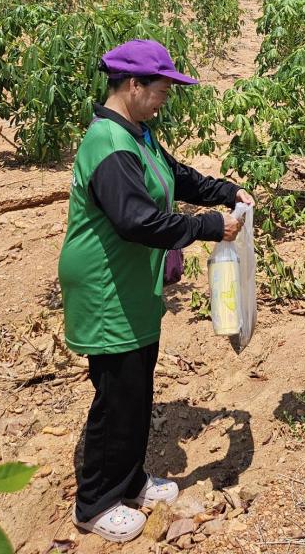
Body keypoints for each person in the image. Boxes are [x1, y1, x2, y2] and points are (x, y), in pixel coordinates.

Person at [59, 39, 253, 542]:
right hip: (106, 288)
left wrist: (222, 190)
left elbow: (175, 176)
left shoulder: (136, 133)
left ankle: (130, 481)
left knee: (137, 386)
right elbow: (135, 220)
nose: (167, 96)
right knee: (116, 394)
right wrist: (208, 226)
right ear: (132, 85)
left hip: (131, 284)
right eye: (162, 88)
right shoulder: (107, 143)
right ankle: (95, 503)